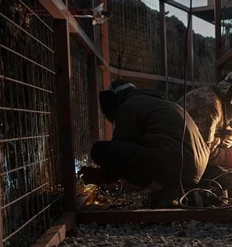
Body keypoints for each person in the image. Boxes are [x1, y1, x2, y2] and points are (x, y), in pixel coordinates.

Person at [79, 80, 209, 208]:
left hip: (176, 161)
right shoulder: (159, 103)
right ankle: (184, 191)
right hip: (196, 169)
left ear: (114, 101)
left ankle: (163, 190)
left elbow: (121, 150)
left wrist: (101, 176)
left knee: (100, 150)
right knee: (152, 152)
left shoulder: (129, 106)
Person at [178, 71, 232, 197]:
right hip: (178, 162)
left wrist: (222, 136)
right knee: (229, 189)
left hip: (182, 152)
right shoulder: (210, 106)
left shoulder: (211, 96)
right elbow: (204, 155)